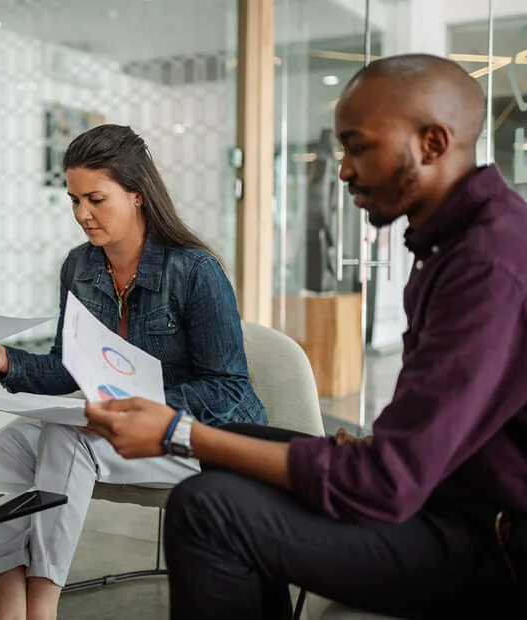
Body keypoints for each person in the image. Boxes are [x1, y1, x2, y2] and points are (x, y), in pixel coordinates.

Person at [86, 54, 527, 619]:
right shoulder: (452, 244)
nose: (342, 170)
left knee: (205, 507)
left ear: (433, 144)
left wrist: (179, 432)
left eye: (358, 145)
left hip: (488, 541)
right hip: (444, 493)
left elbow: (386, 486)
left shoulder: (489, 265)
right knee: (238, 453)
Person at [0, 124, 266, 620]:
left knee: (69, 437)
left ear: (138, 195)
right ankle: (6, 599)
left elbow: (228, 389)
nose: (82, 214)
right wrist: (6, 360)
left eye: (96, 199)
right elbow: (65, 369)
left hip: (204, 438)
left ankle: (41, 609)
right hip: (124, 429)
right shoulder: (80, 267)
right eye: (74, 200)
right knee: (14, 442)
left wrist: (138, 410)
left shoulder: (195, 271)